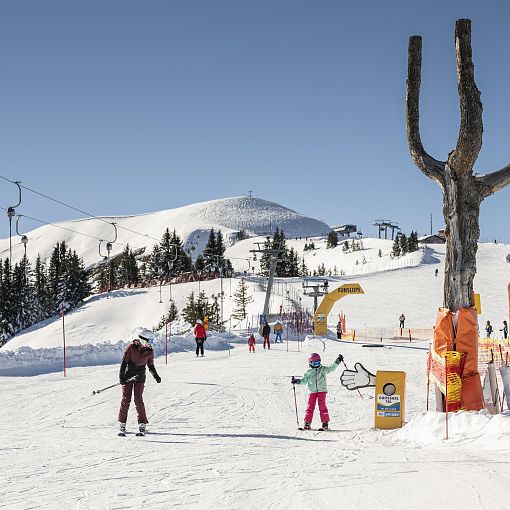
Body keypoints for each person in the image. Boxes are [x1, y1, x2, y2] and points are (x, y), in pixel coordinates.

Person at [118, 328, 161, 436]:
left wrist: (156, 376)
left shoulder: (149, 351)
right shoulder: (131, 348)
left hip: (140, 377)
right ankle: (122, 423)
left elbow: (150, 365)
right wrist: (121, 377)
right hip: (128, 376)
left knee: (138, 399)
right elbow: (124, 363)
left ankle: (142, 423)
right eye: (150, 341)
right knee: (126, 399)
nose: (151, 343)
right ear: (143, 339)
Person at [291, 353, 343, 430]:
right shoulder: (308, 372)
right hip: (312, 392)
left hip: (322, 391)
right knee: (310, 407)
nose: (316, 365)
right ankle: (307, 423)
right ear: (310, 363)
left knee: (322, 406)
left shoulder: (323, 369)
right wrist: (297, 381)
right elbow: (304, 381)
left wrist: (337, 361)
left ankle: (325, 423)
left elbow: (331, 368)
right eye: (314, 363)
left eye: (318, 363)